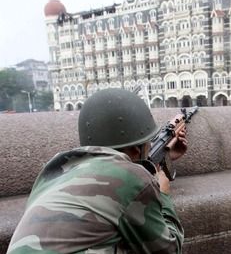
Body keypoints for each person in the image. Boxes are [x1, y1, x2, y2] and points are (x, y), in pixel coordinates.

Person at [7, 88, 187, 254]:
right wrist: (163, 193)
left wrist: (166, 156)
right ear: (135, 150)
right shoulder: (132, 177)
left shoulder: (54, 171)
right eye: (149, 142)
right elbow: (168, 250)